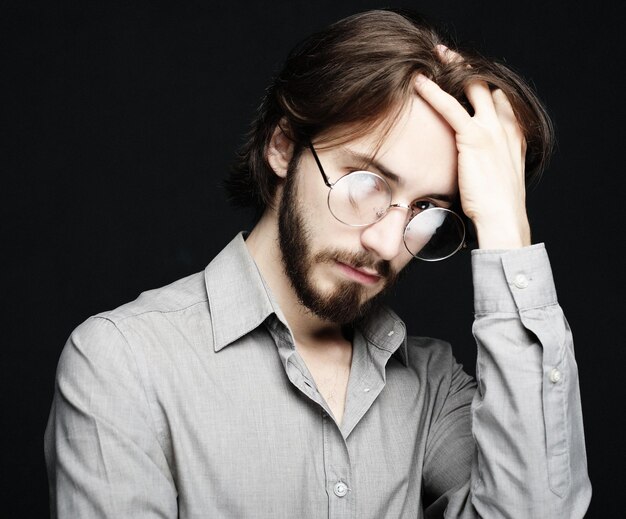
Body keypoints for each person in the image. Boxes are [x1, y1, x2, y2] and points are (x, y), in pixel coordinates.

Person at [44, 9, 591, 518]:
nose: (384, 241)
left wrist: (506, 229)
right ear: (283, 147)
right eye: (365, 183)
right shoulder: (124, 363)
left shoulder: (434, 388)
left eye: (427, 210)